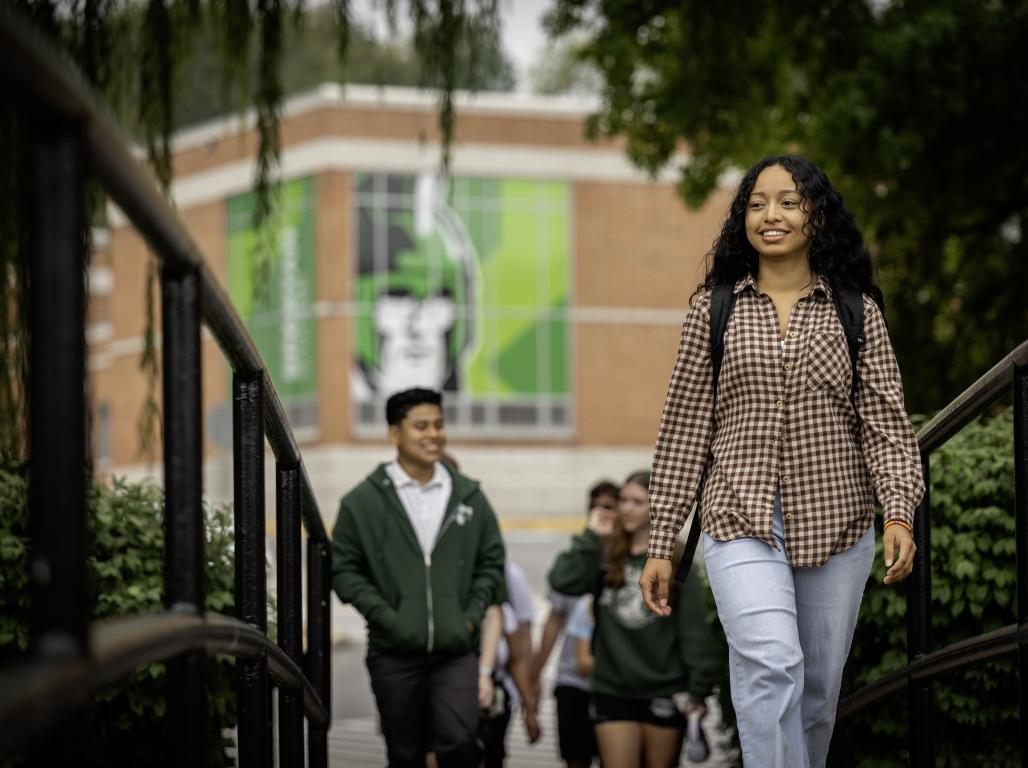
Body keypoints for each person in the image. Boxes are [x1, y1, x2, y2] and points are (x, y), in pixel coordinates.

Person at [639, 154, 926, 768]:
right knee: (771, 664)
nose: (771, 215)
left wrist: (898, 512)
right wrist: (662, 540)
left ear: (817, 217)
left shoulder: (856, 313)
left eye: (789, 201)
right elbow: (684, 432)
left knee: (818, 697)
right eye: (757, 203)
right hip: (739, 517)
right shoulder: (712, 311)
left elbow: (885, 426)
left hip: (838, 522)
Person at [332, 387, 506, 767]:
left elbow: (491, 564)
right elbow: (344, 570)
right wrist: (387, 617)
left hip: (457, 650)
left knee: (460, 744)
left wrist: (470, 616)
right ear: (395, 433)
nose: (434, 434)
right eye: (421, 426)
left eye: (439, 425)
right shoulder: (362, 502)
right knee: (404, 753)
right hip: (393, 651)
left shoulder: (469, 496)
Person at [549, 470, 721, 768]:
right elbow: (562, 581)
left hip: (664, 689)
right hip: (612, 688)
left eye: (637, 501)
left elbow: (693, 633)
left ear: (655, 507)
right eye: (623, 500)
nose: (626, 508)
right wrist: (590, 536)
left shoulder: (675, 561)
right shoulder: (605, 555)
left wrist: (698, 691)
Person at [530, 480, 620, 768]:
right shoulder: (576, 555)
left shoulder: (628, 557)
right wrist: (535, 674)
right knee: (575, 758)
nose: (605, 514)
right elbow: (553, 618)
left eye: (611, 507)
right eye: (598, 508)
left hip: (617, 681)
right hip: (572, 678)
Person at [477, 561, 542, 767]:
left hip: (493, 697)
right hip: (454, 694)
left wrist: (529, 707)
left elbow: (518, 660)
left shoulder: (503, 608)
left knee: (492, 752)